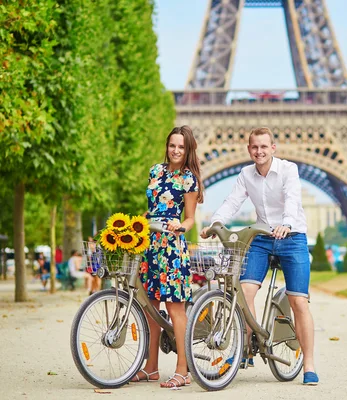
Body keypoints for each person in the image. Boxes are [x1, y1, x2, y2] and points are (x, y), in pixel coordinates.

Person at [201, 126, 319, 386]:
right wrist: (216, 223)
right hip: (263, 238)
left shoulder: (289, 170)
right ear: (249, 149)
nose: (259, 151)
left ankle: (308, 364)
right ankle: (247, 346)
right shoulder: (246, 174)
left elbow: (292, 199)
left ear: (273, 148)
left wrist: (287, 223)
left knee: (299, 302)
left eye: (264, 146)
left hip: (292, 237)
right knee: (244, 292)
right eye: (255, 147)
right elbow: (233, 201)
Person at [132, 125, 203, 388]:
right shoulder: (155, 170)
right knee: (151, 309)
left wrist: (181, 226)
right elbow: (151, 206)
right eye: (172, 145)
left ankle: (182, 370)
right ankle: (151, 368)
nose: (176, 150)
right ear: (167, 146)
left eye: (181, 147)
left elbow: (191, 217)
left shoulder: (189, 179)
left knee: (176, 310)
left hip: (171, 247)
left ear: (188, 150)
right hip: (150, 244)